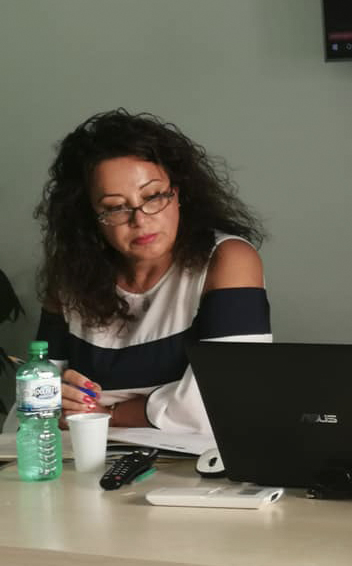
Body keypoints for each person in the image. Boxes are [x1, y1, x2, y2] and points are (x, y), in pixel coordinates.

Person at [34, 109, 271, 433]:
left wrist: (106, 413)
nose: (140, 219)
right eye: (115, 207)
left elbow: (227, 398)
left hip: (192, 462)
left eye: (153, 196)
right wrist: (56, 400)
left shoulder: (227, 260)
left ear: (179, 193)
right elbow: (38, 396)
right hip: (83, 455)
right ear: (90, 217)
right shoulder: (69, 277)